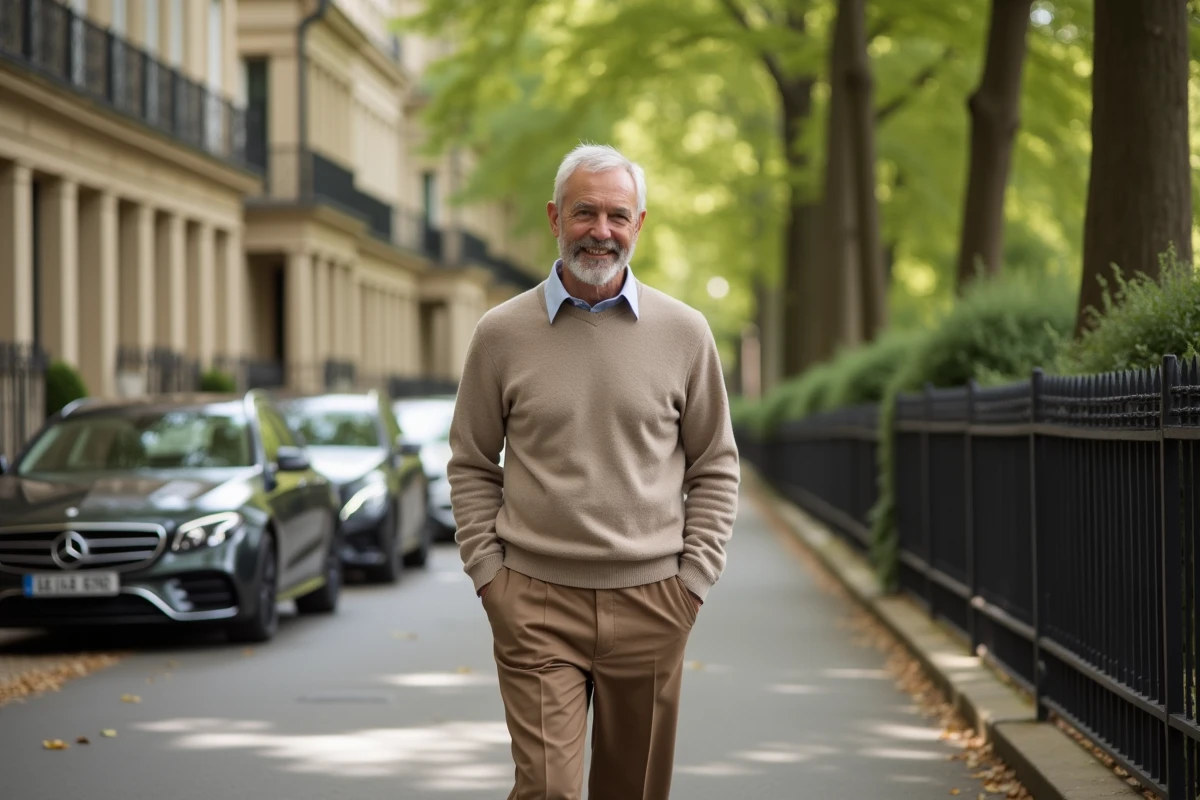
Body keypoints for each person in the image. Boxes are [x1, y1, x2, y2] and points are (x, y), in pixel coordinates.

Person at [447, 143, 741, 800]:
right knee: (548, 789)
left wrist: (692, 582)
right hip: (534, 601)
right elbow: (470, 462)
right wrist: (490, 578)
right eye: (585, 213)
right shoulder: (500, 333)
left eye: (616, 215)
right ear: (556, 217)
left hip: (653, 602)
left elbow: (716, 464)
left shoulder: (686, 333)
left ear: (639, 224)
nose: (600, 231)